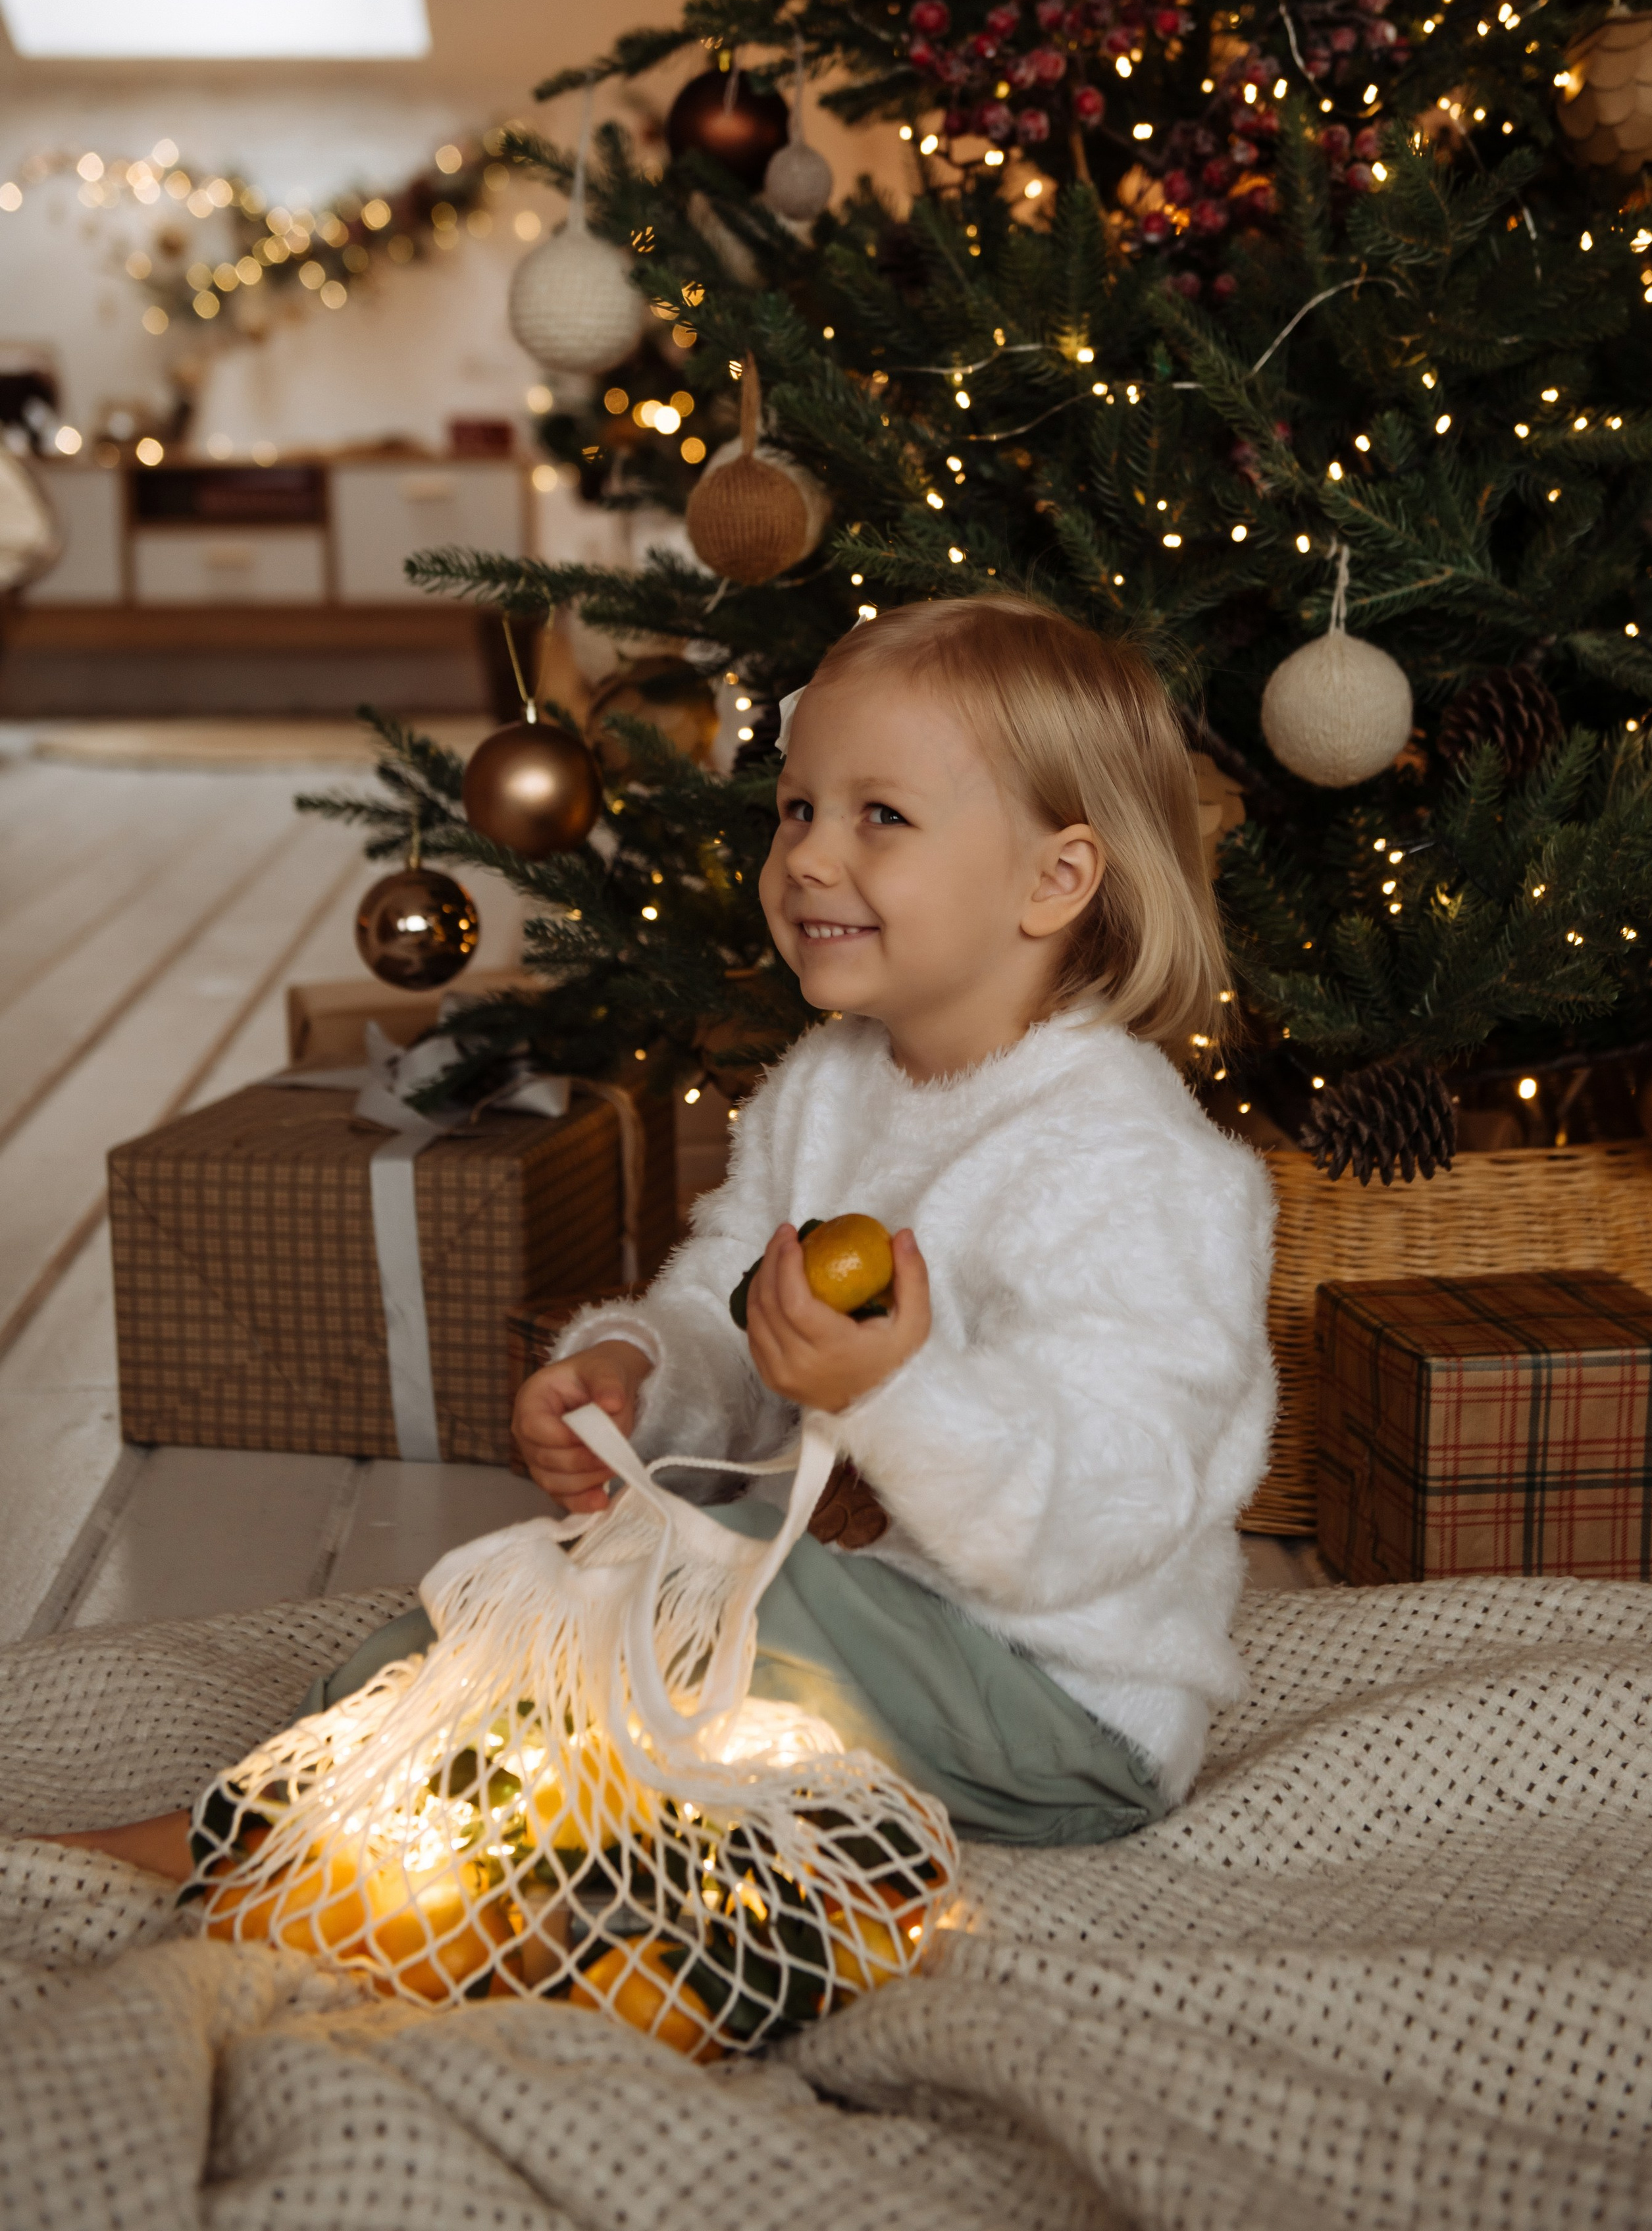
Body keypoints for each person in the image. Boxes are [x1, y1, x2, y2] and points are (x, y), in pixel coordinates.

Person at [56, 592, 1276, 1879]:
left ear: (1054, 879)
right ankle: (287, 1797)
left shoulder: (1135, 1167)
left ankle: (321, 1842)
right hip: (840, 1606)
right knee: (545, 1585)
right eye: (796, 808)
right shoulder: (827, 1086)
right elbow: (726, 1308)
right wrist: (640, 1373)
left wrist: (892, 1394)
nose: (808, 858)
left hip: (1048, 1699)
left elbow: (1106, 1508)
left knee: (670, 1613)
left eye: (881, 815)